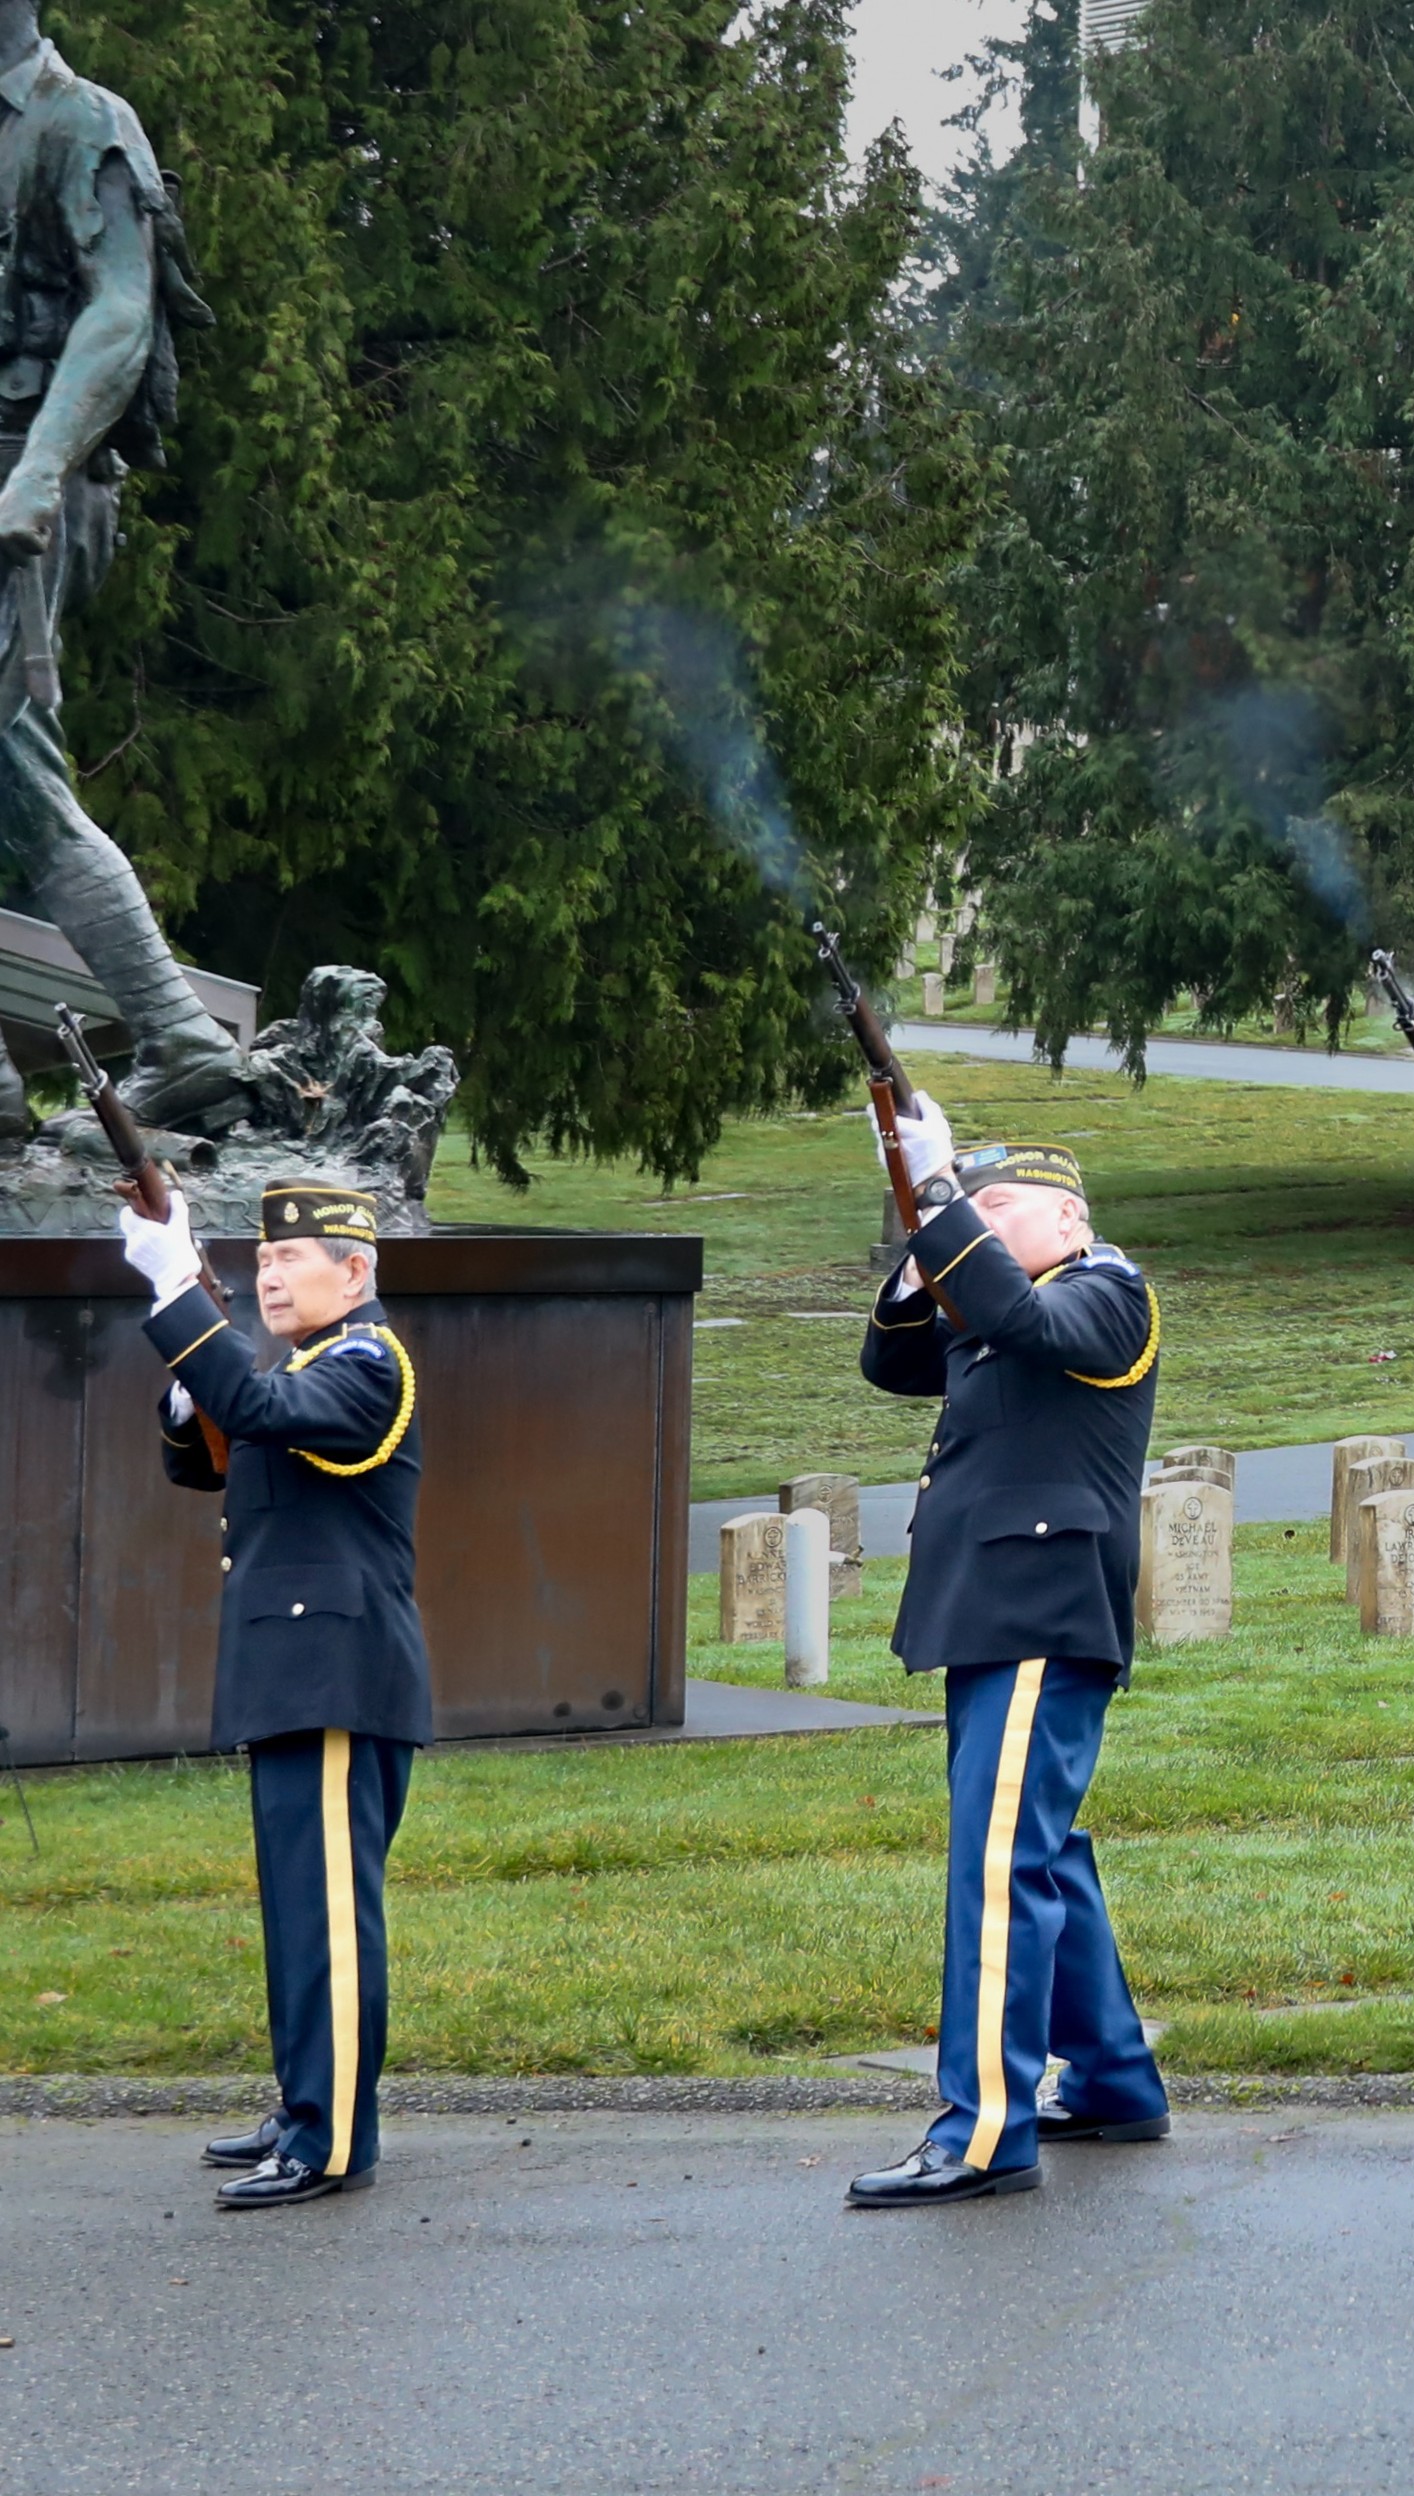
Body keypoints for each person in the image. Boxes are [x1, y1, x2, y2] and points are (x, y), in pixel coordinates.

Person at [843, 1115, 1171, 2209]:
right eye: (974, 1211)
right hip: (989, 1608)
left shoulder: (1106, 1293)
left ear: (1070, 1217)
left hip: (1041, 1610)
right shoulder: (994, 1303)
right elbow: (893, 1359)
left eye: (1000, 1208)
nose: (979, 1226)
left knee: (998, 1870)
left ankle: (984, 2127)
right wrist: (921, 1218)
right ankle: (1115, 2078)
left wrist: (943, 1196)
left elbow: (1019, 1317)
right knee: (1039, 1854)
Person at [121, 1179, 424, 2208]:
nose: (269, 1277)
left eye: (291, 1259)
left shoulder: (367, 1363)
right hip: (295, 1673)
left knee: (328, 1918)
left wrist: (175, 1286)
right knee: (299, 1913)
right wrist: (190, 1378)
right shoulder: (301, 1367)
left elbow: (256, 1410)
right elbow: (204, 1460)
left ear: (356, 1270)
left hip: (337, 1677)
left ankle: (330, 2138)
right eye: (260, 1262)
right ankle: (305, 2105)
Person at [0, 6, 244, 1139]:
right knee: (17, 784)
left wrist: (39, 471)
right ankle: (181, 1039)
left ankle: (170, 1039)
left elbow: (120, 312)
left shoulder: (80, 122)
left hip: (30, 478)